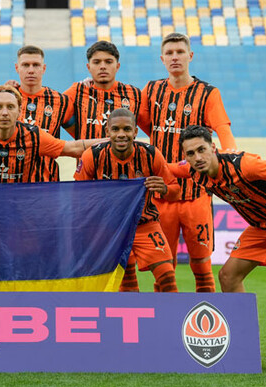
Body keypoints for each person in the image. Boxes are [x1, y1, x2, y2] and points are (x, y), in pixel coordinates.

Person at [173, 125, 266, 372]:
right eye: (190, 153)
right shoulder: (194, 171)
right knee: (228, 276)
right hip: (260, 225)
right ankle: (245, 345)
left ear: (213, 148)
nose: (197, 157)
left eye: (201, 150)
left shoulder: (245, 165)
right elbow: (164, 168)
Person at [136, 32, 238, 293]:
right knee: (164, 268)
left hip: (197, 194)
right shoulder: (152, 90)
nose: (175, 57)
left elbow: (223, 129)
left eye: (180, 52)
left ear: (190, 56)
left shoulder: (208, 93)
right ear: (162, 59)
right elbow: (143, 124)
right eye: (169, 53)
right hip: (161, 195)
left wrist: (231, 156)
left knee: (201, 266)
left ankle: (207, 316)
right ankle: (165, 316)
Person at [74, 108, 179, 292]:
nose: (121, 134)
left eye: (127, 129)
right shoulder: (92, 156)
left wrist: (164, 189)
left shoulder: (151, 154)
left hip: (145, 225)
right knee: (126, 282)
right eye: (115, 129)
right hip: (111, 229)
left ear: (135, 131)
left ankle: (170, 311)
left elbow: (175, 191)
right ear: (107, 131)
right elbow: (78, 195)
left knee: (167, 276)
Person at [0, 85, 105, 183]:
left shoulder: (33, 135)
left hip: (21, 211)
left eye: (10, 107)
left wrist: (112, 140)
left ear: (19, 111)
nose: (4, 112)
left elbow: (73, 148)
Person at [0, 45, 74, 181]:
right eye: (25, 65)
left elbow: (81, 135)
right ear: (17, 68)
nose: (31, 70)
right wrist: (1, 91)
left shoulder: (61, 101)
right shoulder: (2, 99)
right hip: (5, 182)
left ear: (44, 68)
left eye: (36, 65)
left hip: (45, 184)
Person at [63, 41, 141, 140]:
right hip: (88, 151)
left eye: (108, 62)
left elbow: (153, 126)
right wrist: (80, 135)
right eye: (96, 62)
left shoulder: (134, 94)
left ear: (117, 66)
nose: (102, 66)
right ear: (89, 67)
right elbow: (56, 115)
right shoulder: (77, 91)